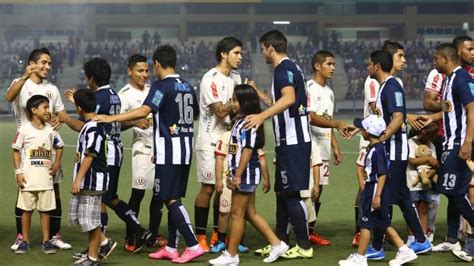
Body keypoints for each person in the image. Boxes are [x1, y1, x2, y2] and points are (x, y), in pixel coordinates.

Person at [94, 45, 205, 263]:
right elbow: (195, 115)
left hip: (168, 151)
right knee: (172, 199)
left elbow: (145, 111)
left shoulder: (161, 86)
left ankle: (192, 244)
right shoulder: (188, 86)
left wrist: (110, 118)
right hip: (185, 149)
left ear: (156, 64)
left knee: (170, 199)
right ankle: (172, 248)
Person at [62, 58, 151, 255]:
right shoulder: (114, 96)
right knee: (103, 199)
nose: (86, 81)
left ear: (91, 78)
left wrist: (66, 118)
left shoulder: (99, 98)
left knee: (104, 198)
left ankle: (136, 232)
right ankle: (97, 246)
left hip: (104, 154)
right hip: (114, 149)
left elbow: (85, 127)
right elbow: (114, 124)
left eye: (87, 78)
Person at [245, 29, 312, 258]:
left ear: (270, 47)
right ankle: (280, 242)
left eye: (262, 48)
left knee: (291, 193)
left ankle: (304, 246)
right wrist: (261, 96)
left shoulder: (283, 69)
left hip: (293, 140)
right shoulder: (291, 68)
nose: (262, 52)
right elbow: (283, 102)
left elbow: (289, 99)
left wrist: (261, 116)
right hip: (290, 140)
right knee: (282, 192)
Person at [209, 84, 288, 265]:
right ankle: (277, 244)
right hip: (242, 173)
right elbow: (235, 151)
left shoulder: (248, 122)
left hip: (246, 174)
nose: (232, 103)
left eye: (235, 100)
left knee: (236, 214)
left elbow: (246, 150)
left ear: (245, 102)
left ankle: (231, 255)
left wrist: (237, 175)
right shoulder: (239, 121)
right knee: (250, 213)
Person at [366, 44, 432, 260]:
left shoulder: (392, 86)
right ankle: (420, 241)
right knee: (402, 197)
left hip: (393, 152)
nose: (367, 67)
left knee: (382, 198)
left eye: (369, 64)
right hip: (392, 151)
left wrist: (382, 137)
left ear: (376, 66)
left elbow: (397, 117)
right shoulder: (386, 87)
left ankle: (378, 247)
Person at [5, 48, 73, 251]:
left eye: (49, 63)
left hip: (48, 146)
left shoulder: (51, 88)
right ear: (31, 63)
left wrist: (59, 120)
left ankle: (54, 235)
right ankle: (21, 237)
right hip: (26, 147)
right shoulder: (20, 83)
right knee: (24, 190)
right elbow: (9, 97)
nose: (48, 67)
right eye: (44, 62)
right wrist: (25, 75)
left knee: (55, 190)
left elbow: (61, 114)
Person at [414, 43, 474, 262]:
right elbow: (451, 110)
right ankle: (454, 238)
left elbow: (472, 108)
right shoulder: (449, 80)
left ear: (445, 59)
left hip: (459, 144)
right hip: (452, 142)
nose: (434, 62)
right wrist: (433, 118)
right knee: (452, 190)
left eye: (436, 58)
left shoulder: (461, 79)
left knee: (453, 191)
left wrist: (467, 142)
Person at [339, 115, 418, 266]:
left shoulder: (377, 150)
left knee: (366, 223)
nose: (361, 130)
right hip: (374, 188)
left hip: (375, 187)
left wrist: (377, 196)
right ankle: (404, 250)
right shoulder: (377, 147)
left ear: (367, 132)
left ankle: (360, 258)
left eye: (362, 128)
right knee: (382, 223)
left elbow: (382, 173)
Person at [194, 37, 243, 252]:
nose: (240, 57)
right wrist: (240, 100)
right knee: (208, 188)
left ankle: (218, 234)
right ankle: (199, 235)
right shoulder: (210, 79)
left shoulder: (237, 77)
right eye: (236, 53)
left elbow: (238, 111)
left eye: (241, 54)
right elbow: (221, 111)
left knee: (223, 188)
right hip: (208, 141)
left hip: (228, 142)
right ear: (224, 54)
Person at [118, 54, 165, 251]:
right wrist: (134, 121)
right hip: (141, 150)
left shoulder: (154, 91)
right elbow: (117, 124)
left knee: (158, 196)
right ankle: (131, 237)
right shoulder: (124, 94)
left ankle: (152, 235)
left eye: (146, 70)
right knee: (137, 195)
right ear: (130, 71)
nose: (145, 74)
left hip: (159, 149)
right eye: (140, 71)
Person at [305, 50, 347, 247]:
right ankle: (298, 229)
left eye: (333, 64)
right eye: (329, 64)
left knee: (318, 190)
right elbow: (311, 117)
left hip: (323, 147)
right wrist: (337, 124)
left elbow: (327, 121)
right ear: (317, 66)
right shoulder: (310, 88)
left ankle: (309, 231)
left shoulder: (329, 93)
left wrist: (335, 145)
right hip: (310, 147)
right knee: (307, 190)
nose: (332, 68)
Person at [12, 95, 62, 255]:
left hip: (45, 179)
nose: (48, 111)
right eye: (45, 107)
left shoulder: (51, 130)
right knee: (26, 211)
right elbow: (15, 151)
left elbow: (59, 147)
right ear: (34, 110)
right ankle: (24, 241)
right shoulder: (24, 129)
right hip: (28, 179)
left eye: (49, 107)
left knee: (45, 211)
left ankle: (46, 241)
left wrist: (56, 164)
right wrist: (18, 172)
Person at [210, 120, 270, 254]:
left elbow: (261, 159)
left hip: (244, 180)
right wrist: (219, 180)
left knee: (241, 213)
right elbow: (219, 159)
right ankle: (221, 241)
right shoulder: (226, 136)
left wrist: (267, 178)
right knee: (224, 212)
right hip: (228, 180)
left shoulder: (249, 135)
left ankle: (238, 242)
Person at [69, 89, 109, 265]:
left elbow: (91, 154)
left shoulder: (93, 127)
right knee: (84, 218)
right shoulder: (92, 123)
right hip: (89, 180)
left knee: (91, 221)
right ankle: (101, 246)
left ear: (78, 108)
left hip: (92, 181)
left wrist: (78, 179)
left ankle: (93, 257)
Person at [353, 69, 379, 247]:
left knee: (377, 188)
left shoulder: (394, 82)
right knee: (365, 188)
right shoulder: (373, 81)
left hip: (379, 137)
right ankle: (360, 230)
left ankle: (378, 231)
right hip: (373, 136)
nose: (404, 61)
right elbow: (374, 108)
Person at [405, 122, 440, 245]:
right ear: (424, 132)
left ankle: (423, 238)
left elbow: (435, 163)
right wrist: (428, 159)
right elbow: (412, 160)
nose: (435, 138)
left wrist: (433, 171)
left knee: (424, 209)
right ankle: (411, 237)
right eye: (433, 135)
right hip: (412, 183)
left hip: (426, 184)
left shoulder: (431, 145)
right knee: (412, 210)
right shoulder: (411, 142)